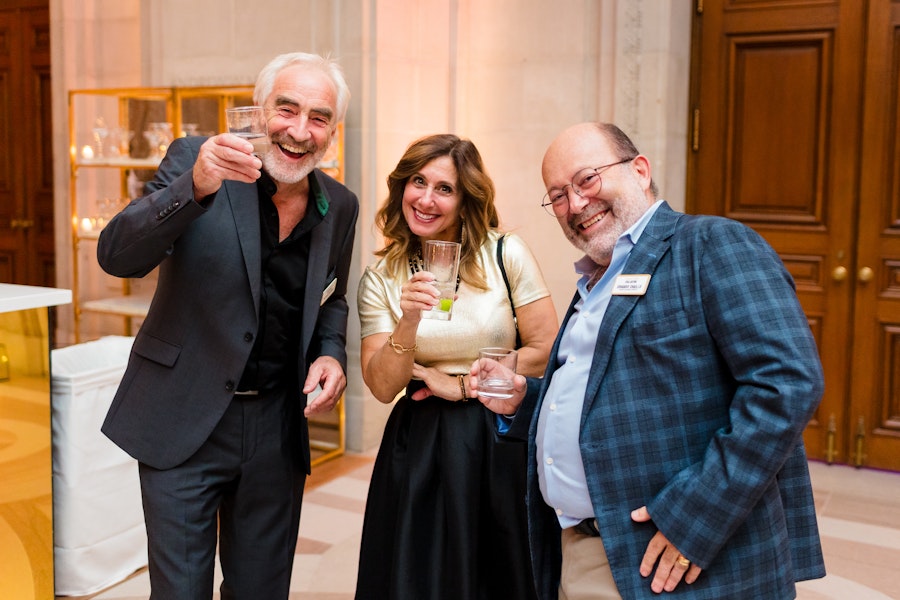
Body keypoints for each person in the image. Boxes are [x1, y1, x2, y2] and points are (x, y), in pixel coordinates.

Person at [469, 122, 826, 599]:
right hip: (582, 547)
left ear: (640, 170)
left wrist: (696, 517)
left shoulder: (710, 244)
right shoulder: (595, 282)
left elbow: (788, 385)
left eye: (587, 180)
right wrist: (527, 399)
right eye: (557, 196)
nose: (575, 205)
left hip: (682, 558)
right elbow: (613, 396)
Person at [96, 52, 357, 599]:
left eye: (319, 117)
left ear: (333, 131)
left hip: (276, 429)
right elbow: (118, 256)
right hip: (184, 416)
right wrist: (192, 187)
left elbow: (332, 299)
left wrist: (331, 353)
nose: (300, 130)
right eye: (287, 109)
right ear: (259, 111)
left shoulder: (341, 204)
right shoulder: (196, 160)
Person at [355, 133, 559, 599]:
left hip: (498, 434)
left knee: (498, 573)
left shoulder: (505, 252)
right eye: (417, 182)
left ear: (465, 197)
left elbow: (547, 347)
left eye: (444, 188)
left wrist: (463, 384)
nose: (426, 199)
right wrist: (408, 321)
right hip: (421, 444)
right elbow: (383, 386)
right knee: (421, 575)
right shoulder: (382, 277)